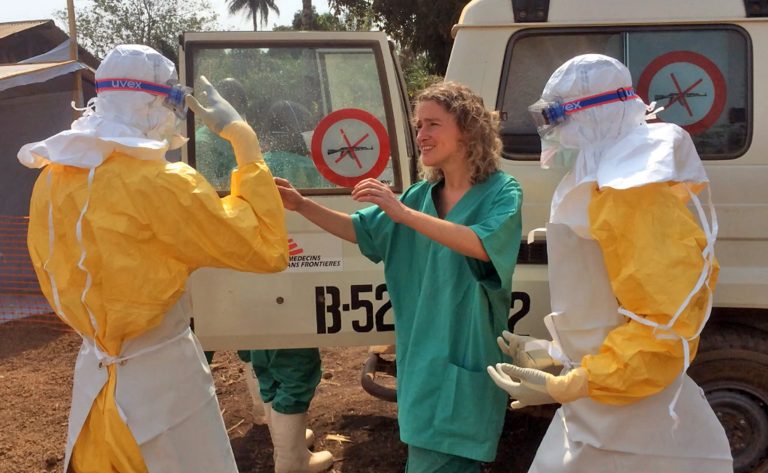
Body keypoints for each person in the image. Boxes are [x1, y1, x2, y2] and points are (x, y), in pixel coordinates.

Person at [19, 44, 289, 473]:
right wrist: (242, 137)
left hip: (94, 382)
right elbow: (265, 247)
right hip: (162, 387)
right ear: (154, 103)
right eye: (175, 101)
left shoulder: (54, 176)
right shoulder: (162, 183)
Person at [487, 54, 733, 472]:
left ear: (590, 117)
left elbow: (664, 329)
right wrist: (553, 353)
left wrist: (575, 382)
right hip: (604, 408)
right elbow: (605, 306)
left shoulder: (635, 194)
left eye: (555, 118)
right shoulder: (603, 186)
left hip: (639, 423)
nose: (551, 134)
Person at [275, 81, 523, 472]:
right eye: (418, 125)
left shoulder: (501, 192)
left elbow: (480, 243)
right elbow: (362, 230)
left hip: (467, 354)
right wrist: (302, 206)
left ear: (468, 129)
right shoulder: (419, 196)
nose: (421, 135)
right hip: (422, 358)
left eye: (433, 124)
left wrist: (402, 213)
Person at [244, 98, 334, 473]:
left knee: (264, 357)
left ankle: (290, 442)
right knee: (296, 362)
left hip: (250, 281)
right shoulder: (310, 169)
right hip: (297, 280)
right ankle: (291, 460)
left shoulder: (251, 169)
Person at [194, 77, 247, 192]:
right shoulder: (202, 143)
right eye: (230, 108)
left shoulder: (239, 136)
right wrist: (246, 168)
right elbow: (210, 190)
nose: (235, 115)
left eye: (239, 109)